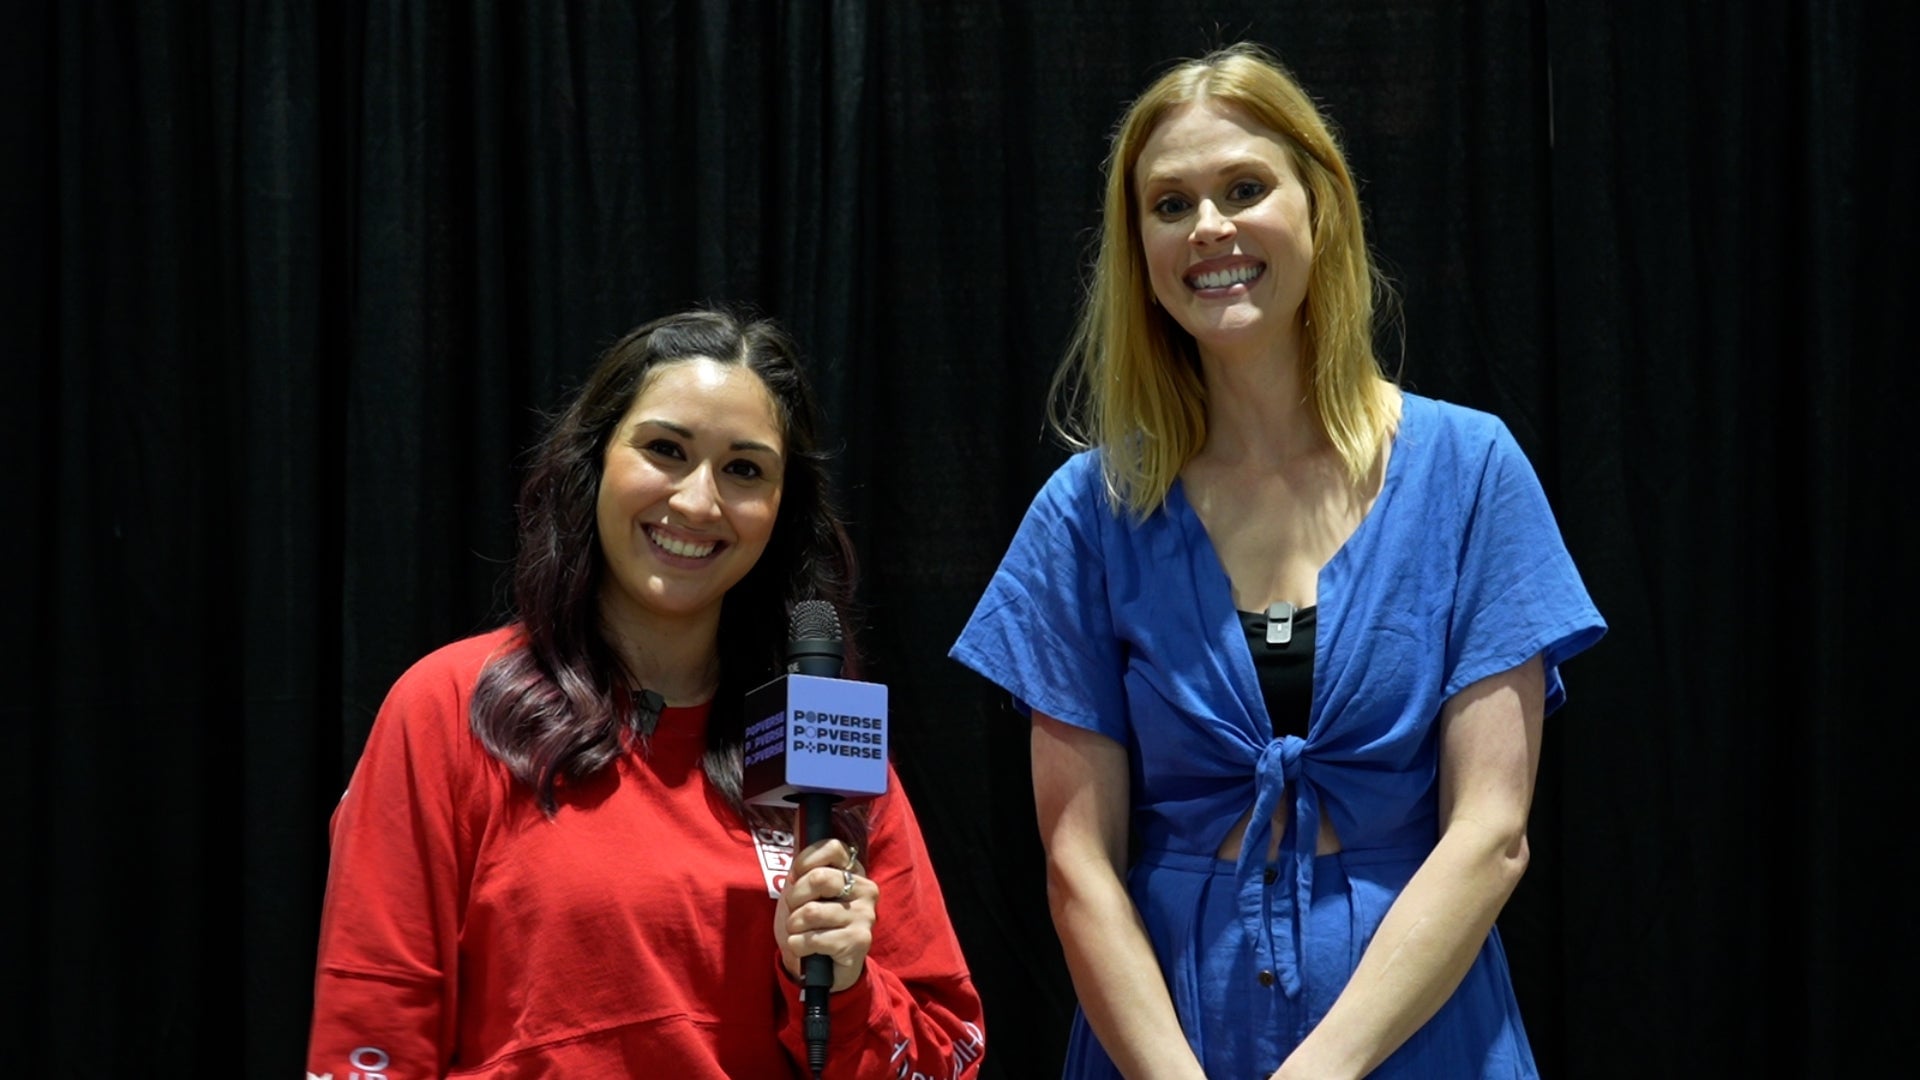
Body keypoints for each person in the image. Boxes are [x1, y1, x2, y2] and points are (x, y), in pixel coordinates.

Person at [950, 42, 1605, 1080]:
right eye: (1170, 204)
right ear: (1140, 252)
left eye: (1245, 188)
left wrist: (1324, 1068)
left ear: (1320, 206)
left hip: (1419, 1028)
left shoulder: (1472, 471)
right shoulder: (1088, 512)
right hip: (1168, 1030)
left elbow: (1492, 833)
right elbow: (1078, 865)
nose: (1209, 227)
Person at [309, 308, 986, 1079]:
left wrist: (842, 984)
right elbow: (372, 1028)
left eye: (744, 470)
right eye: (666, 450)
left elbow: (944, 1056)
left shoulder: (822, 736)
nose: (699, 503)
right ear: (593, 460)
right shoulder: (451, 706)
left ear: (780, 510)